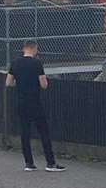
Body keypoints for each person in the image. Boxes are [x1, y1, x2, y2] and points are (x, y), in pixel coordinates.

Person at [6, 41, 64, 172]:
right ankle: (50, 163)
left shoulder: (15, 63)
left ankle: (29, 163)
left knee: (25, 132)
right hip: (35, 102)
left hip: (21, 102)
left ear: (23, 49)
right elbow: (44, 84)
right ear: (34, 48)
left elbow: (8, 83)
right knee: (43, 131)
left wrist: (20, 85)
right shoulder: (37, 63)